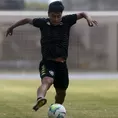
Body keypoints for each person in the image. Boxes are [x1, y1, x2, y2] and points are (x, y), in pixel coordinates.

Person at [6, 1, 98, 111]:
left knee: (61, 93)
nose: (55, 19)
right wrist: (12, 27)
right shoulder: (43, 23)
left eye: (58, 16)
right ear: (48, 14)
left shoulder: (67, 21)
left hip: (62, 65)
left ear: (61, 15)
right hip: (48, 62)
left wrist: (89, 19)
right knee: (47, 81)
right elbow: (26, 20)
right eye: (53, 16)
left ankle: (56, 109)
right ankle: (40, 98)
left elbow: (83, 13)